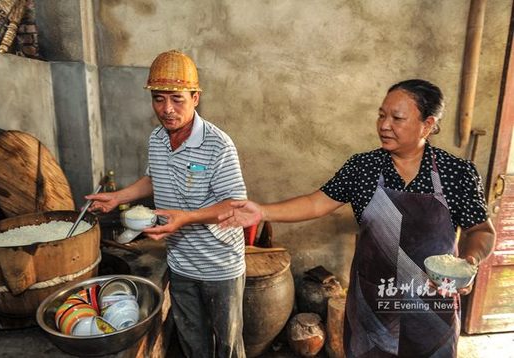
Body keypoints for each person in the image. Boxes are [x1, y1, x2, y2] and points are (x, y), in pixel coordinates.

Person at [218, 79, 496, 357]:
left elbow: (482, 231)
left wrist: (467, 263)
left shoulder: (456, 172)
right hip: (373, 309)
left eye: (397, 118)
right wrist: (263, 211)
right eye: (381, 115)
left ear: (427, 124)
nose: (384, 125)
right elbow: (316, 203)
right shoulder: (364, 167)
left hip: (431, 310)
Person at [87, 50, 247, 358]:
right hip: (180, 262)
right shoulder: (157, 139)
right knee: (191, 341)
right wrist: (117, 197)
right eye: (159, 99)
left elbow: (235, 206)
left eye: (177, 99)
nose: (167, 109)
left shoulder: (218, 144)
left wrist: (184, 219)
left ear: (195, 97)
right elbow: (153, 179)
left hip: (219, 267)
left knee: (226, 346)